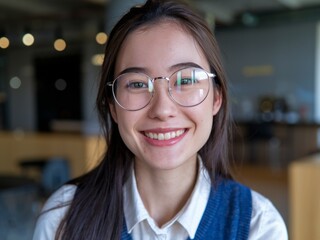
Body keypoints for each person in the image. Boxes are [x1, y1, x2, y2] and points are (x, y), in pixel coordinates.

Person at [33, 0, 288, 239]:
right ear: (112, 106)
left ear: (217, 98)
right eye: (136, 84)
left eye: (186, 80)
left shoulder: (258, 225)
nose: (163, 109)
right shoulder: (63, 217)